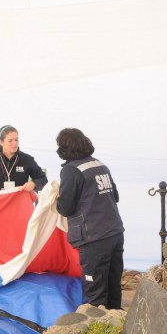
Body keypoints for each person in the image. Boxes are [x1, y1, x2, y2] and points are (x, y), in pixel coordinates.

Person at [55, 128, 125, 310]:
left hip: (94, 238)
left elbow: (65, 208)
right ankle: (118, 327)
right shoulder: (99, 165)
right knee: (113, 286)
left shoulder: (71, 170)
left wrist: (56, 198)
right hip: (115, 232)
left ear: (64, 148)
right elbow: (115, 196)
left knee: (95, 294)